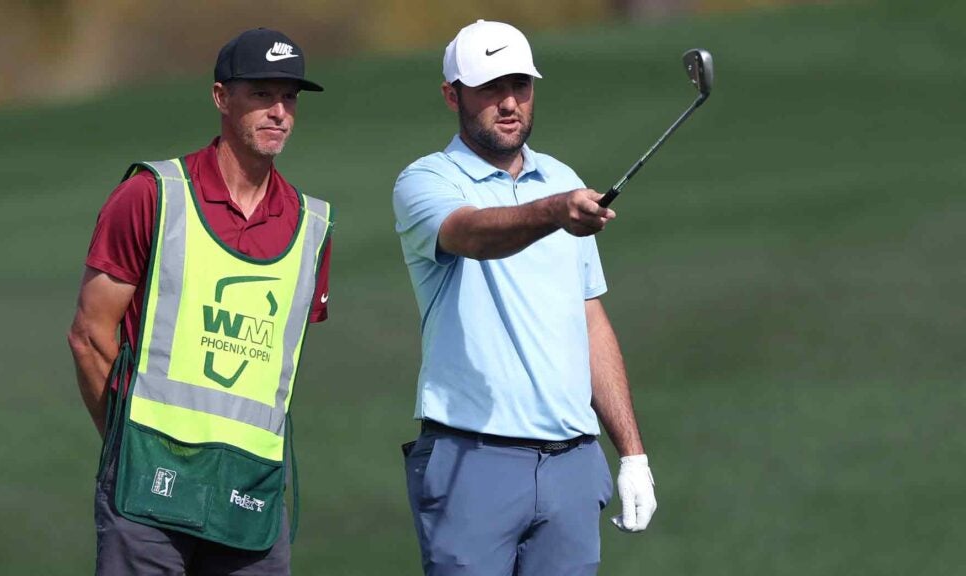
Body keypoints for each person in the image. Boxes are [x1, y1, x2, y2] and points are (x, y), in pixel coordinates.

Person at [393, 20, 657, 575]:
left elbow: (590, 321)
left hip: (572, 466)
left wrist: (632, 453)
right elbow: (472, 233)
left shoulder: (562, 178)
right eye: (490, 87)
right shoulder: (425, 181)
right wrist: (554, 212)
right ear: (452, 95)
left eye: (521, 85)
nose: (509, 102)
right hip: (473, 461)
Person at [67, 28, 332, 576]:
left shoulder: (313, 226)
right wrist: (129, 448)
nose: (279, 111)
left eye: (289, 97)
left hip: (252, 496)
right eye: (261, 94)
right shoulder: (152, 194)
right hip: (149, 487)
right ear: (220, 97)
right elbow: (91, 335)